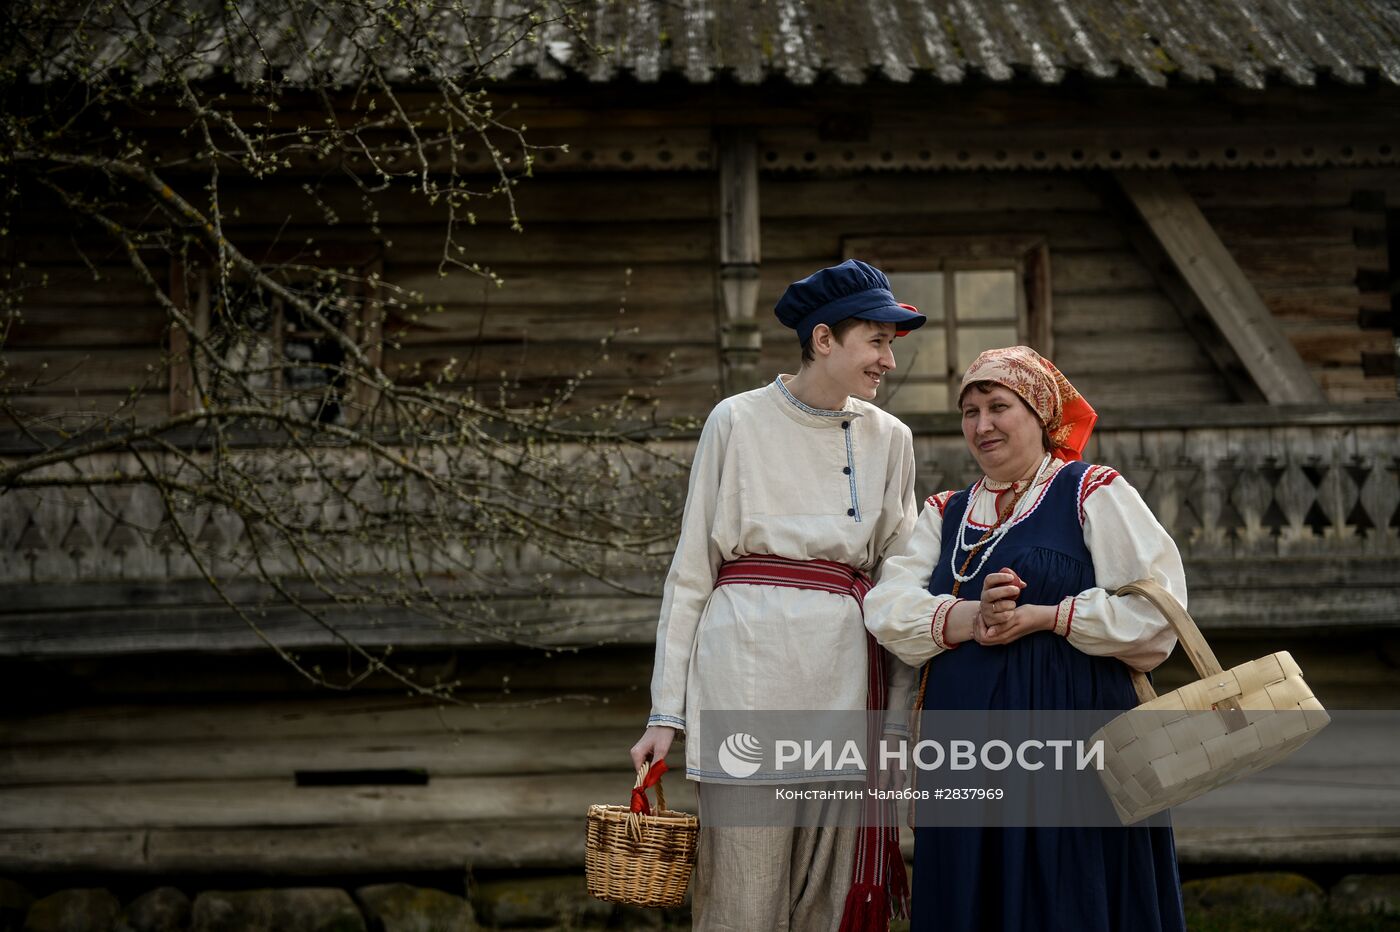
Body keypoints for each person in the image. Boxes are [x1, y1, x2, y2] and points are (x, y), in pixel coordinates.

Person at [629, 259, 925, 932]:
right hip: (747, 689)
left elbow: (900, 581)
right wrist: (664, 713)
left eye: (890, 344)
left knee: (829, 906)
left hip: (849, 695)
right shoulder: (735, 421)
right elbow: (690, 575)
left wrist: (899, 721)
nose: (887, 360)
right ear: (824, 339)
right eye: (876, 341)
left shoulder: (890, 439)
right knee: (742, 904)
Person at [864, 345, 1187, 932]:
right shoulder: (946, 512)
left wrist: (1048, 616)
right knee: (974, 896)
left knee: (1067, 894)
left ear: (1039, 413)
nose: (982, 425)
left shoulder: (1091, 490)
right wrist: (965, 616)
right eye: (970, 411)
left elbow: (1157, 618)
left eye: (998, 406)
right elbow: (886, 608)